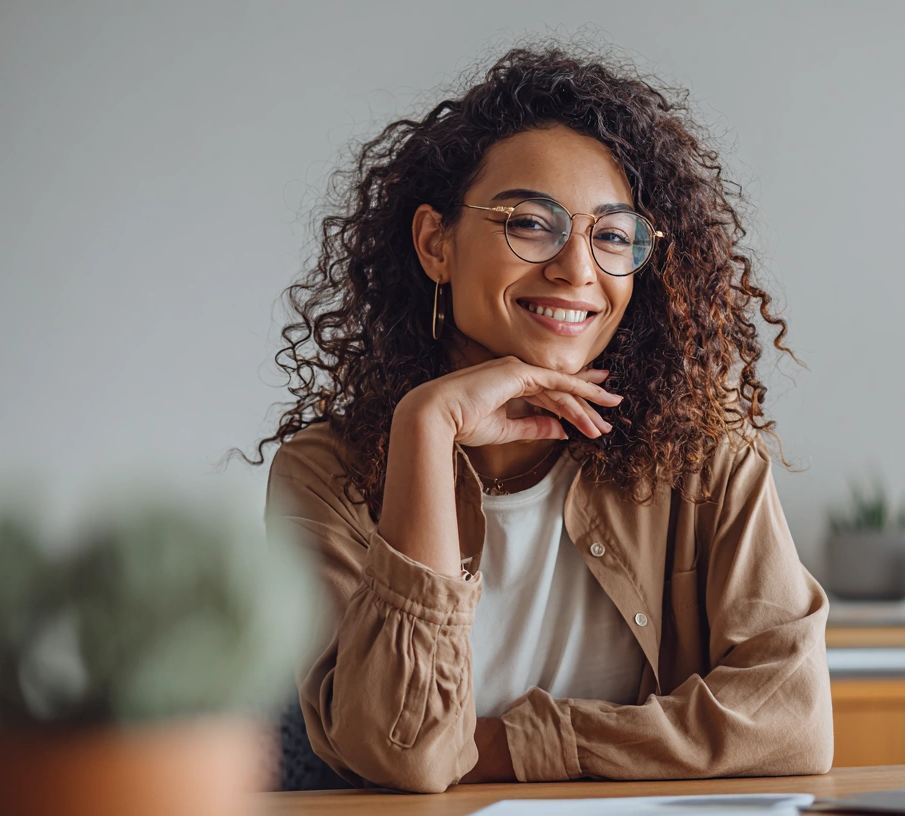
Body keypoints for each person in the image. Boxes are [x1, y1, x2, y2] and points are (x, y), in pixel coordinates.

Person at [252, 43, 832, 793]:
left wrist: (503, 746)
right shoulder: (325, 474)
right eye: (532, 223)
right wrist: (425, 431)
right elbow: (403, 751)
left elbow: (792, 721)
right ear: (436, 244)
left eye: (613, 235)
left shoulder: (707, 459)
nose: (578, 270)